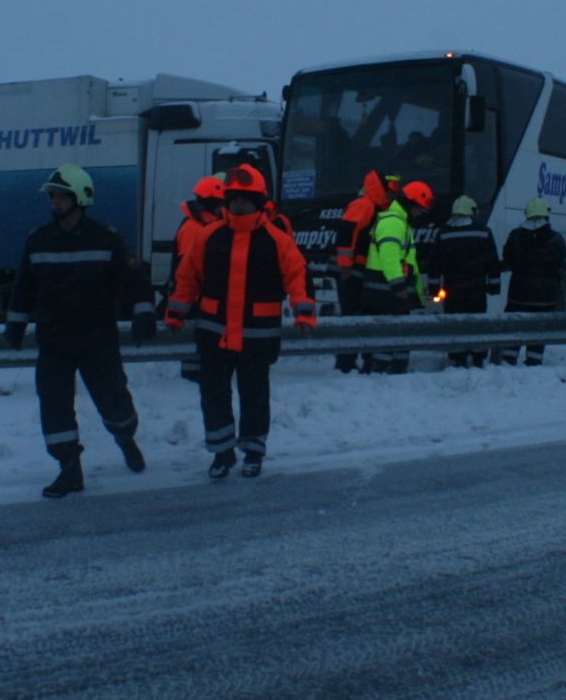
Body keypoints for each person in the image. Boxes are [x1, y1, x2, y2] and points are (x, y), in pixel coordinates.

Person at [4, 163, 157, 499]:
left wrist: (144, 313)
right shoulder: (38, 240)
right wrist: (15, 323)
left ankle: (125, 437)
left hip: (97, 340)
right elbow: (23, 287)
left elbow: (135, 280)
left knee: (115, 402)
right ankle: (69, 469)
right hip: (54, 340)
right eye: (52, 195)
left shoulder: (106, 238)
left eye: (61, 195)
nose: (54, 201)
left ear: (81, 198)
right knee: (54, 406)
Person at [165, 164, 316, 479]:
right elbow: (187, 277)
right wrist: (176, 311)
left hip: (257, 337)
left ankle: (253, 452)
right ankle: (222, 453)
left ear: (259, 201)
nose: (238, 205)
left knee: (254, 396)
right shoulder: (209, 236)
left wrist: (303, 311)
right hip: (214, 333)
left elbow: (297, 277)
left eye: (245, 199)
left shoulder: (276, 239)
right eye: (233, 198)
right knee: (214, 395)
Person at [361, 180, 433, 374]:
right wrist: (399, 286)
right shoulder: (393, 222)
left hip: (390, 293)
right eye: (420, 210)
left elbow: (407, 263)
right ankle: (380, 374)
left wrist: (416, 291)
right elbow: (390, 257)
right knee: (389, 338)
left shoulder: (398, 222)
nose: (420, 215)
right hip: (387, 293)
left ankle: (393, 372)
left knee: (397, 337)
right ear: (410, 203)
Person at [331, 171, 399, 373]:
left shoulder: (375, 207)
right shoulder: (364, 205)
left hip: (356, 269)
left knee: (358, 314)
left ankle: (352, 359)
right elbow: (346, 234)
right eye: (390, 190)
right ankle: (345, 363)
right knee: (352, 316)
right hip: (350, 270)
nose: (393, 195)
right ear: (381, 188)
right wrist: (345, 266)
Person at [427, 194, 500, 368]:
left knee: (455, 322)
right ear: (471, 212)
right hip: (477, 289)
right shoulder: (483, 231)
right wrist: (494, 286)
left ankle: (458, 356)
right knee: (477, 323)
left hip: (453, 290)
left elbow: (434, 265)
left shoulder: (443, 233)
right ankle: (478, 356)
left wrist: (434, 288)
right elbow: (493, 262)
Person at [167, 175, 225, 383]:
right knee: (196, 345)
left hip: (198, 296)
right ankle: (193, 376)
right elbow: (188, 270)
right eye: (220, 203)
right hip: (193, 297)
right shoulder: (194, 227)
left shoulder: (200, 223)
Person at [497, 198, 566, 366]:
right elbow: (560, 261)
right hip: (546, 298)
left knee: (514, 327)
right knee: (538, 329)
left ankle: (509, 359)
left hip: (518, 296)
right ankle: (534, 362)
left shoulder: (515, 236)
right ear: (546, 216)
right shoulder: (556, 239)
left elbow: (508, 259)